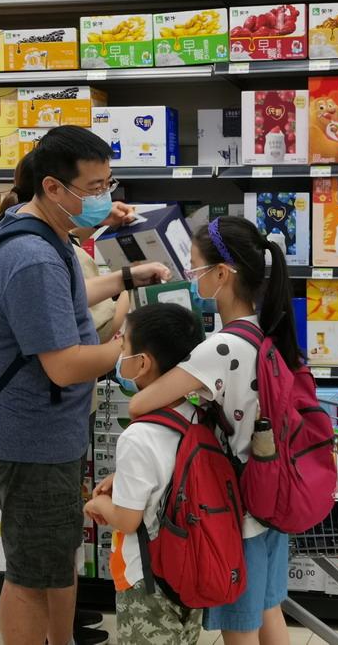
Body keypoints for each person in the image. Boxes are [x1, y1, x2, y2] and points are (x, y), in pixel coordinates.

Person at [0, 126, 171, 645]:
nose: (105, 197)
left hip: (43, 432)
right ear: (53, 187)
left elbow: (63, 298)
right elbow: (63, 366)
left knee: (53, 559)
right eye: (94, 187)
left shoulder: (39, 229)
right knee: (31, 575)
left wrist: (126, 278)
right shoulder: (33, 256)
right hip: (30, 439)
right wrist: (129, 351)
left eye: (109, 183)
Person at [125, 216, 299, 645]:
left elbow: (139, 402)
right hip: (271, 493)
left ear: (222, 274)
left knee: (239, 627)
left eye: (195, 267)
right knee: (269, 610)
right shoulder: (264, 329)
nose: (191, 276)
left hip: (237, 510)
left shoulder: (220, 347)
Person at [84, 303, 206, 645]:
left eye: (123, 345)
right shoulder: (195, 415)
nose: (119, 352)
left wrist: (98, 506)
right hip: (189, 565)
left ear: (142, 363)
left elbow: (127, 520)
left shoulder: (137, 436)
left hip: (146, 578)